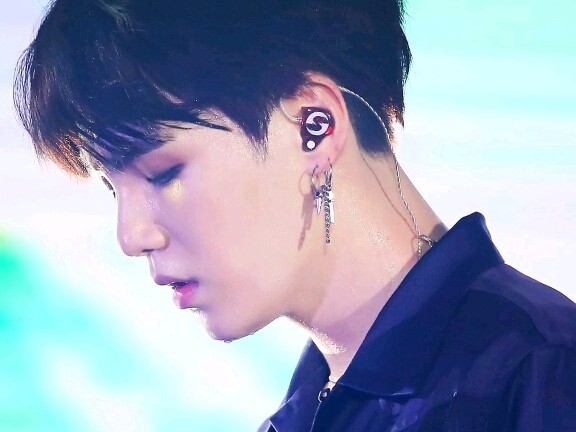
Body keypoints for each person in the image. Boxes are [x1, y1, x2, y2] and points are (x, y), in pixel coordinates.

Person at [13, 0, 576, 430]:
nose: (131, 236)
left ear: (314, 126)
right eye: (113, 189)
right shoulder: (306, 410)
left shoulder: (540, 374)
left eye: (163, 173)